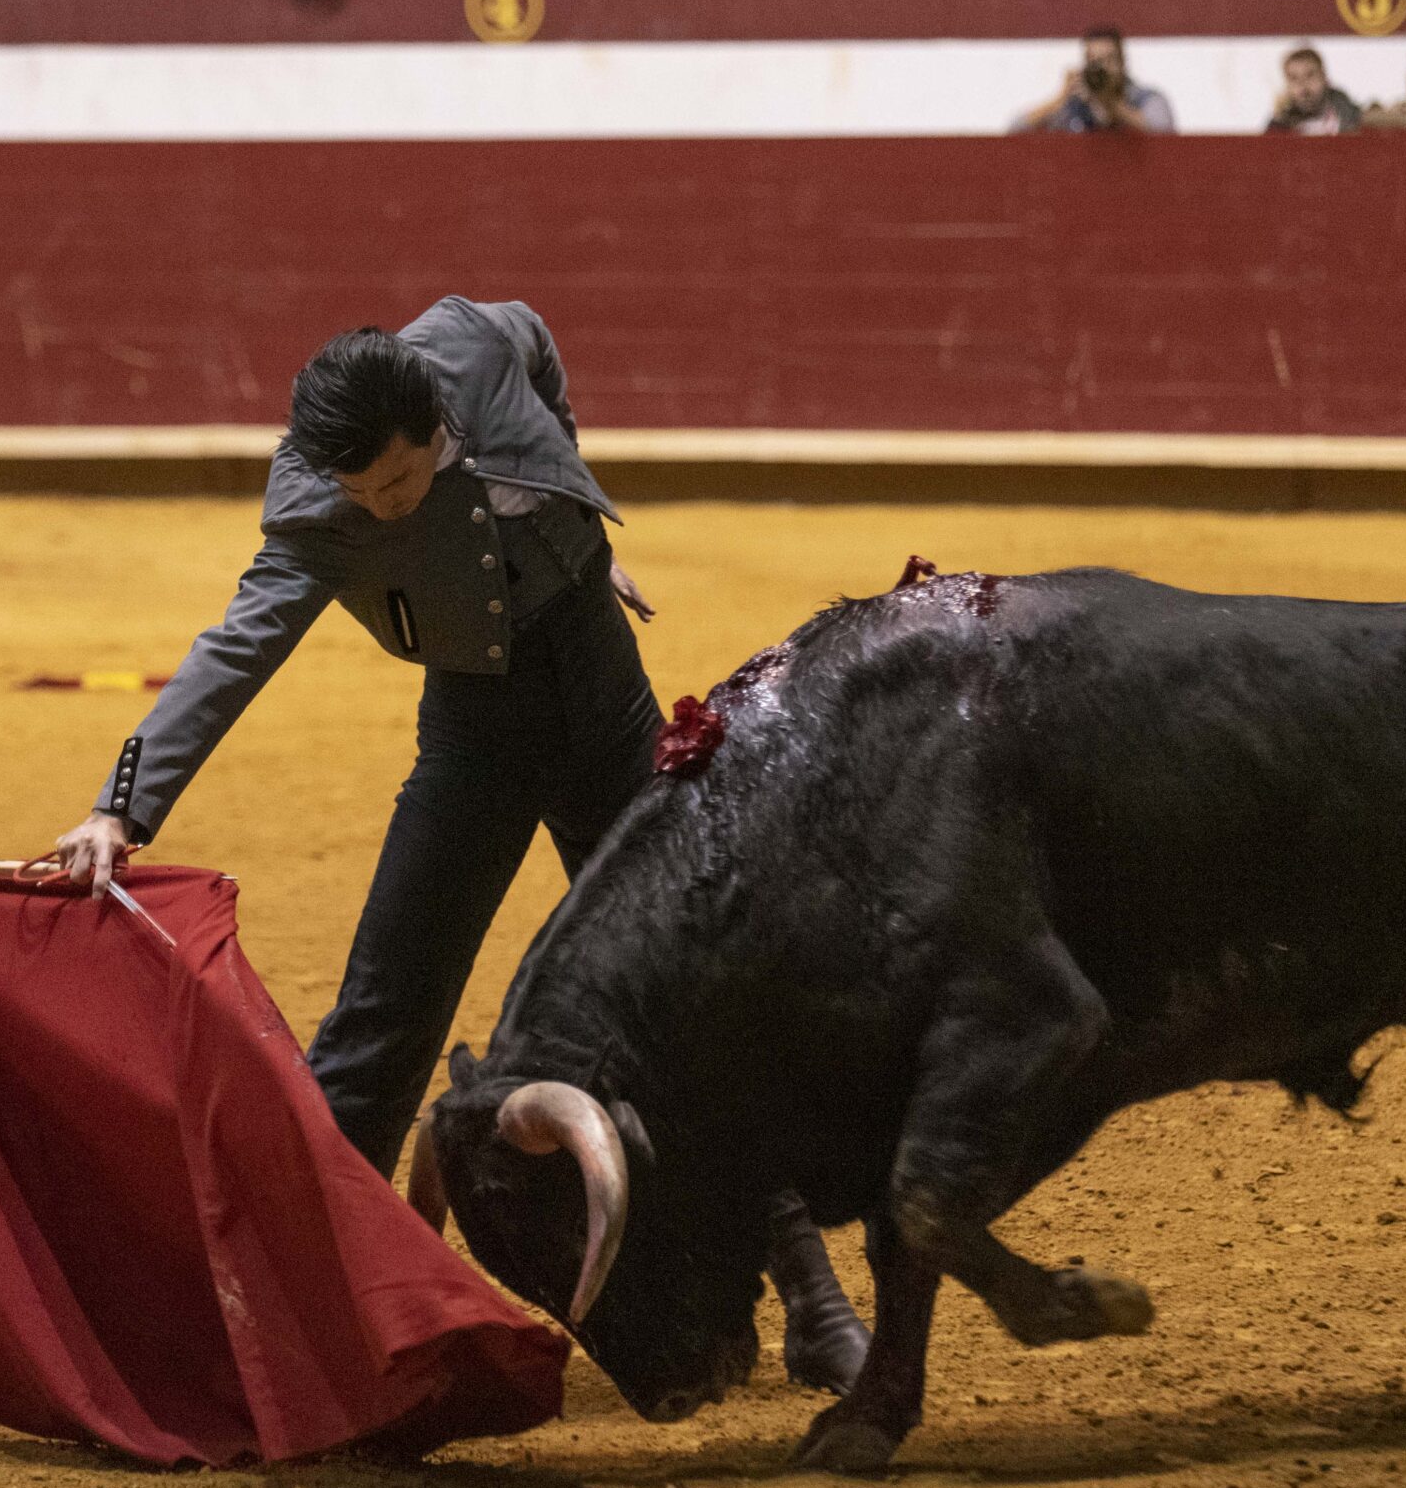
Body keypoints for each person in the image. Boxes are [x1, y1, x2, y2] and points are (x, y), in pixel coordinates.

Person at [51, 297, 870, 1393]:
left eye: (403, 480)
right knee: (382, 1015)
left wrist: (575, 530)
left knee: (700, 1010)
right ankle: (289, 1309)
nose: (387, 506)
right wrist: (122, 806)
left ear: (437, 418)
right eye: (367, 496)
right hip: (474, 744)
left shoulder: (475, 342)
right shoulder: (317, 512)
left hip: (612, 719)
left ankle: (816, 1303)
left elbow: (539, 350)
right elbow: (235, 649)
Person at [1011, 26, 1176, 135]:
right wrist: (1061, 98)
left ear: (1122, 62)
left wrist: (1113, 106)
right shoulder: (1075, 105)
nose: (1101, 69)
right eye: (1094, 62)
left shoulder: (1144, 98)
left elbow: (1164, 132)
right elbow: (1016, 128)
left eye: (1108, 60)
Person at [1264, 46, 1361, 135]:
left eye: (1310, 75)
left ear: (1323, 77)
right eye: (1294, 78)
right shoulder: (1278, 128)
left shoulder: (1353, 117)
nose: (1302, 85)